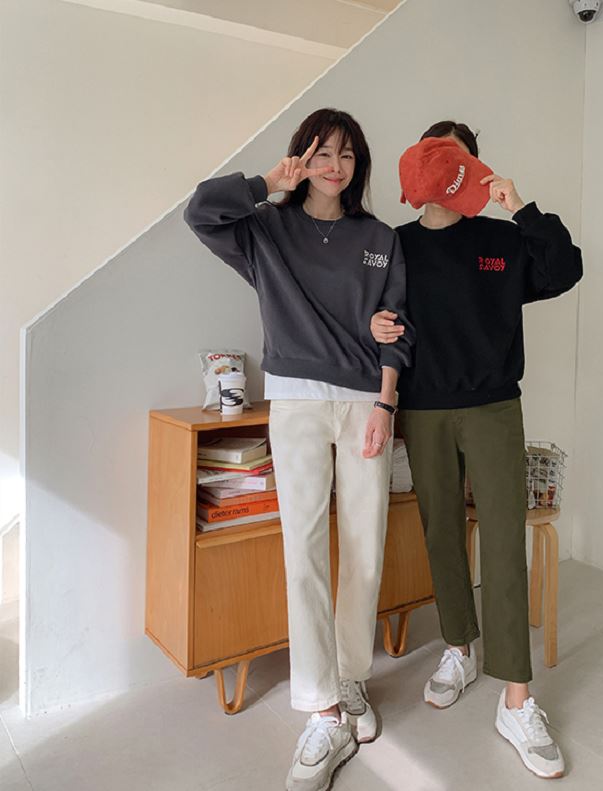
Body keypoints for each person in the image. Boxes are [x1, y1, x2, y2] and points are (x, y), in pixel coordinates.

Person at [184, 108, 413, 791]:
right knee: (304, 549)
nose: (334, 166)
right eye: (321, 153)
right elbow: (200, 212)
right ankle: (320, 707)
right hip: (297, 403)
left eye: (346, 154)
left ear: (358, 164)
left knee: (365, 545)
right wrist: (265, 182)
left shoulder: (379, 238)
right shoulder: (266, 228)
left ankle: (350, 678)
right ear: (301, 158)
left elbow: (397, 326)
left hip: (366, 404)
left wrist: (385, 403)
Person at [371, 120, 582, 780]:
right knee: (440, 532)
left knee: (504, 540)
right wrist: (373, 327)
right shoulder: (396, 245)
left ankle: (516, 697)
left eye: (461, 159)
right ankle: (459, 647)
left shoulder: (501, 238)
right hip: (423, 408)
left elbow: (566, 269)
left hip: (493, 406)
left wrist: (520, 207)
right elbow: (366, 311)